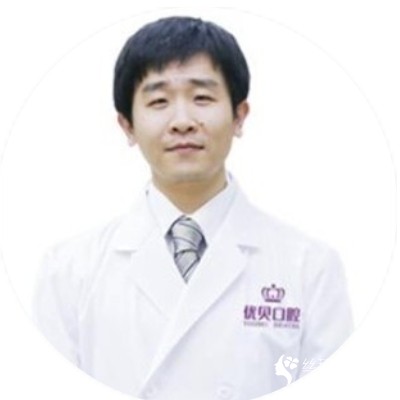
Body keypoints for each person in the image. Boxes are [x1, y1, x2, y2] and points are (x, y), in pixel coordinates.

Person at [32, 16, 353, 400]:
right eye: (158, 101)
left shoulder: (310, 267)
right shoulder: (69, 272)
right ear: (127, 126)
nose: (182, 122)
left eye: (202, 98)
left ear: (239, 116)